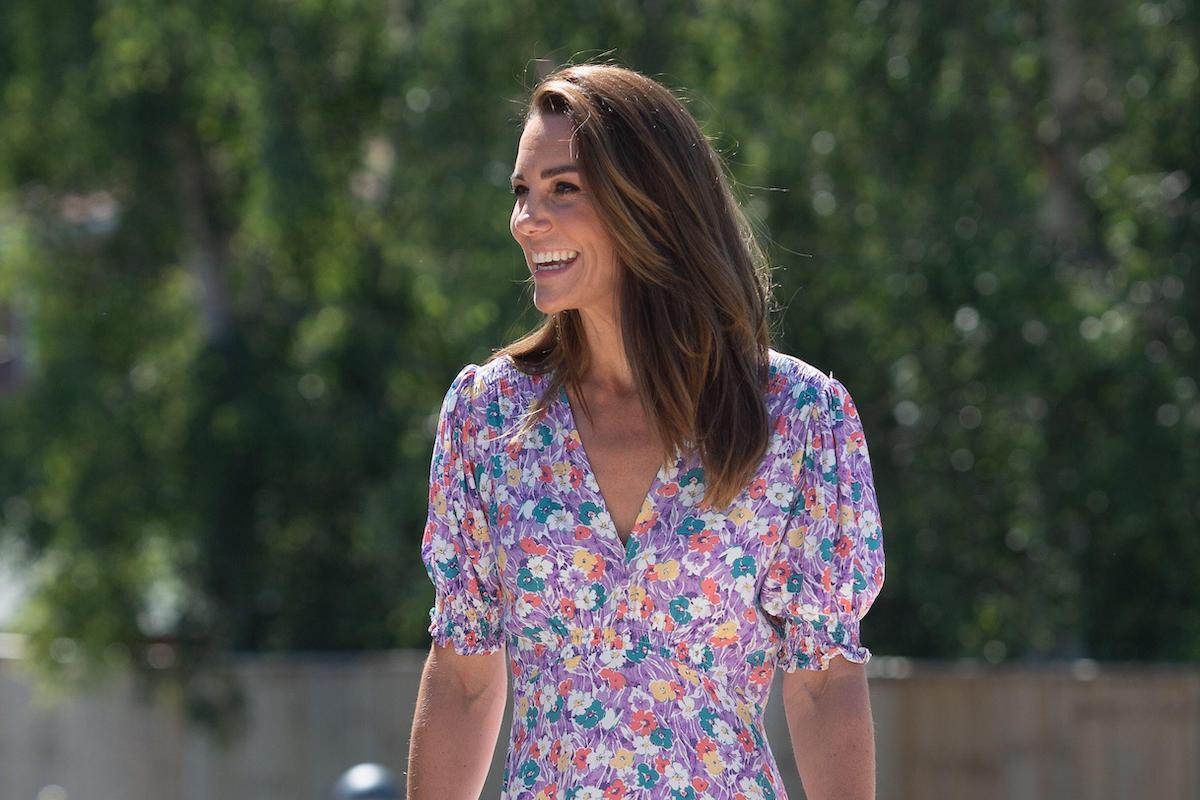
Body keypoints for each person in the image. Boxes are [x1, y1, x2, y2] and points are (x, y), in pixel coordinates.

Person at [407, 62, 885, 800]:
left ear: (649, 202)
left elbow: (824, 685)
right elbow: (466, 681)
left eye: (563, 189)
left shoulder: (797, 419)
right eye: (522, 192)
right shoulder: (487, 419)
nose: (526, 220)